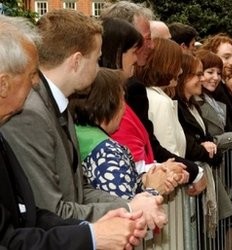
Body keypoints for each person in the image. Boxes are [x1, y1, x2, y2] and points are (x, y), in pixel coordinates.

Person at [0, 9, 167, 229]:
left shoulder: (57, 103)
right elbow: (51, 210)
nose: (99, 69)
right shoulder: (30, 113)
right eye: (97, 60)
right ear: (76, 61)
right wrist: (131, 209)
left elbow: (80, 189)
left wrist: (134, 204)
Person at [101, 0, 206, 193]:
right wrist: (190, 170)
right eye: (146, 39)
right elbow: (135, 154)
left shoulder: (133, 88)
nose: (151, 46)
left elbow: (147, 147)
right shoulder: (117, 93)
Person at [69, 68, 179, 199]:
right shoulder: (107, 152)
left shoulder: (75, 131)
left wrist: (147, 179)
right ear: (108, 104)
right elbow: (127, 212)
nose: (125, 108)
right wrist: (154, 190)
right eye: (122, 100)